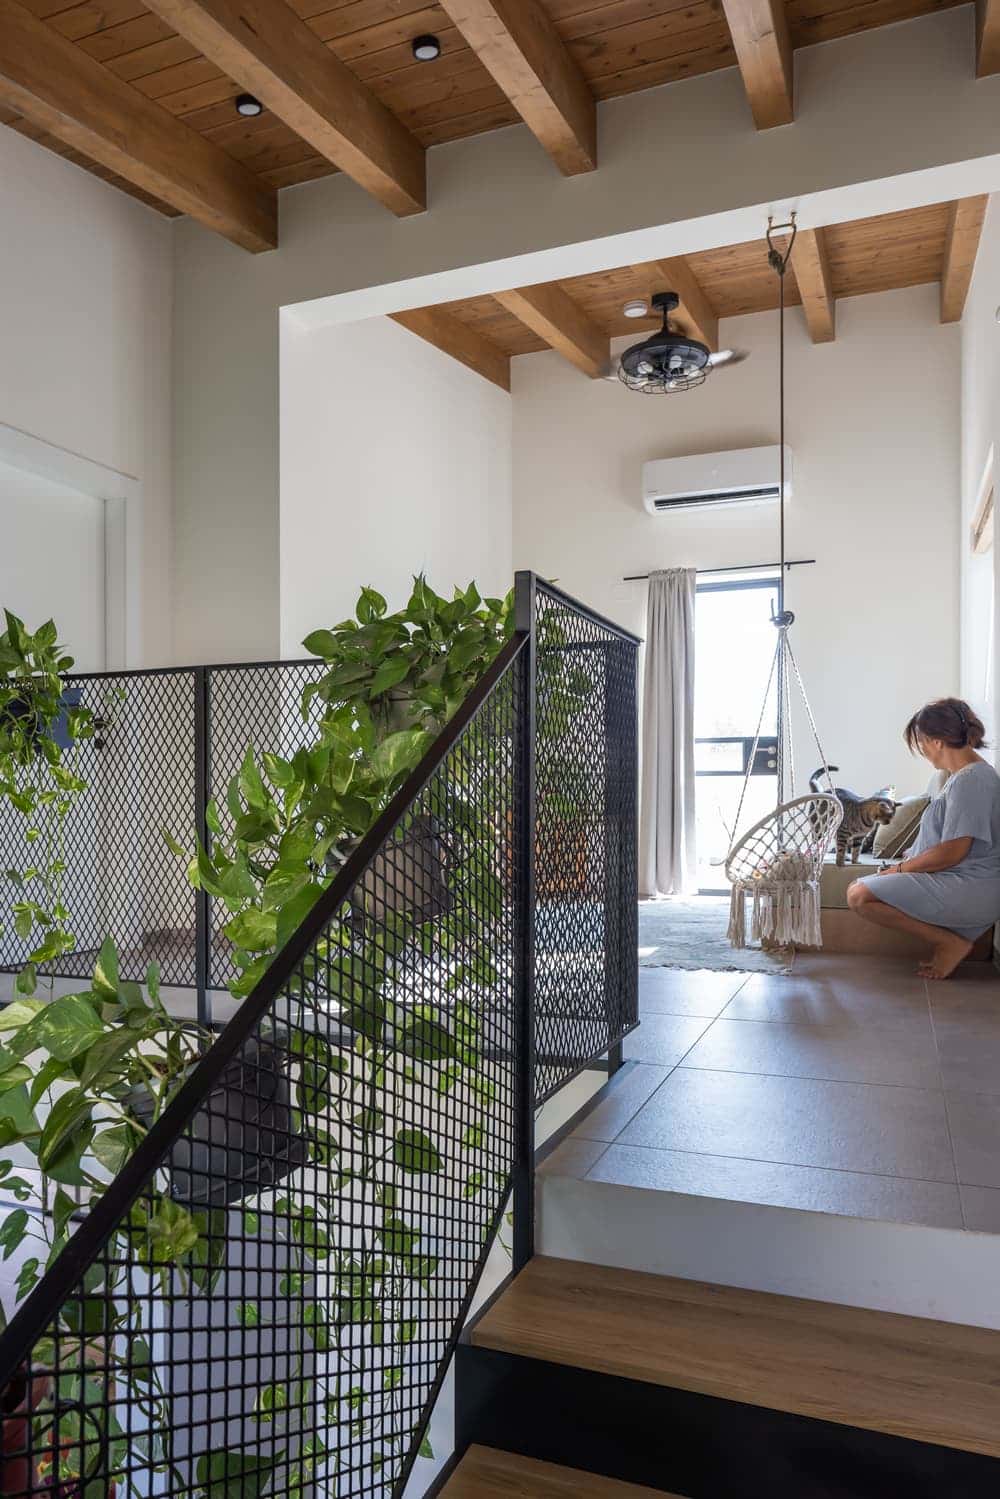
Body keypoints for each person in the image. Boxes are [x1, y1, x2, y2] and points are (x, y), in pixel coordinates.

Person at [846, 698, 1000, 979]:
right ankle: (949, 941)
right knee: (861, 887)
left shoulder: (972, 780)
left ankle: (950, 943)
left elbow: (953, 852)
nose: (923, 751)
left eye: (921, 743)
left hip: (971, 888)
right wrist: (912, 855)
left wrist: (899, 869)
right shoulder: (963, 777)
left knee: (859, 895)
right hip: (964, 881)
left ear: (937, 741)